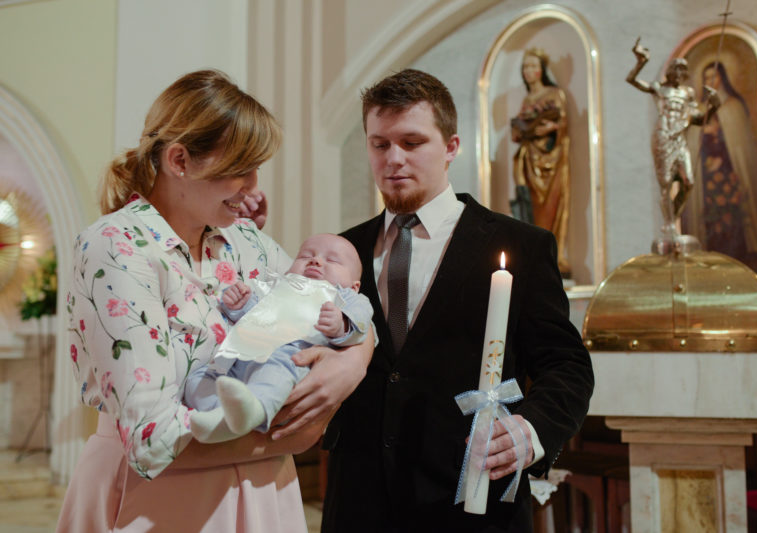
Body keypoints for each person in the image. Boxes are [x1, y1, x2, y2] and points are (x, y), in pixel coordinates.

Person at [57, 70, 373, 533]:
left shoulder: (246, 240)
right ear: (179, 160)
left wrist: (353, 364)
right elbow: (152, 439)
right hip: (161, 499)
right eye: (240, 168)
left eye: (256, 168)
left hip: (265, 493)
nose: (253, 185)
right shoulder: (116, 247)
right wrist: (298, 434)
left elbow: (338, 299)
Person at [321, 68, 594, 532]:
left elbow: (566, 365)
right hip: (359, 502)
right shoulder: (341, 250)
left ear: (451, 147)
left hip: (471, 501)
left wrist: (530, 431)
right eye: (379, 144)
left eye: (412, 142)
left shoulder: (520, 245)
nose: (393, 159)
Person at [185, 233, 373, 443]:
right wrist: (239, 303)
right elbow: (254, 311)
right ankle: (218, 416)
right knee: (199, 378)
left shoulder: (347, 297)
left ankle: (253, 412)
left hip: (288, 356)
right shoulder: (279, 284)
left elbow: (362, 323)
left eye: (332, 260)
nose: (316, 260)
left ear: (354, 286)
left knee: (274, 374)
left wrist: (341, 324)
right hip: (241, 352)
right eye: (306, 256)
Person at [626, 38, 720, 242]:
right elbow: (631, 80)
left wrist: (714, 106)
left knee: (688, 182)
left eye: (682, 71)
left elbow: (700, 119)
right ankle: (670, 226)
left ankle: (671, 219)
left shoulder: (687, 93)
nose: (679, 74)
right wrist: (641, 62)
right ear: (670, 72)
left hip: (680, 140)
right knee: (666, 183)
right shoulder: (659, 88)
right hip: (663, 138)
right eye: (676, 70)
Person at [684, 61, 757, 272]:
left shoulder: (733, 107)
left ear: (723, 78)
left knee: (733, 219)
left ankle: (739, 254)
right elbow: (692, 145)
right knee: (712, 219)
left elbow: (740, 147)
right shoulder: (699, 110)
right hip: (706, 179)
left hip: (730, 175)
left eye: (714, 76)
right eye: (706, 78)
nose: (710, 81)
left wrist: (722, 157)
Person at [510, 47, 571, 278]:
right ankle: (533, 254)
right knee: (528, 206)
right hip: (528, 159)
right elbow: (519, 131)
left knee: (549, 206)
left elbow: (562, 125)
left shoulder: (554, 94)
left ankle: (551, 255)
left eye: (533, 66)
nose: (529, 70)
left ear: (542, 70)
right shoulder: (527, 100)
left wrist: (550, 128)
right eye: (525, 66)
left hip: (550, 161)